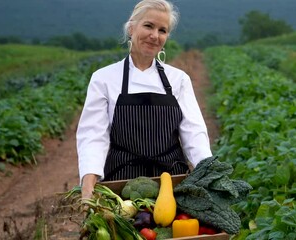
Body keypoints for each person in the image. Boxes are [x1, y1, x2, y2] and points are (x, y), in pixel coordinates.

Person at [76, 0, 212, 199]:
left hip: (172, 182)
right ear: (131, 28)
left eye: (162, 30)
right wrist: (88, 183)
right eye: (148, 26)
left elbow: (194, 133)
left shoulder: (178, 79)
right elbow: (93, 135)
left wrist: (208, 172)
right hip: (121, 184)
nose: (154, 35)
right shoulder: (104, 78)